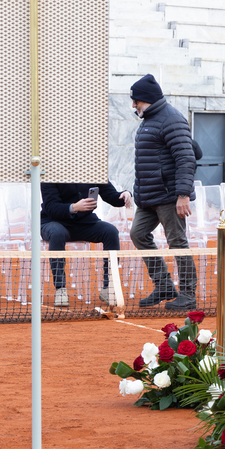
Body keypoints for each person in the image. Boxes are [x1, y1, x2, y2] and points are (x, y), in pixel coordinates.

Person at [128, 73, 198, 310]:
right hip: (148, 197)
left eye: (136, 100)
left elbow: (186, 157)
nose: (134, 105)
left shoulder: (171, 118)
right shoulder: (150, 119)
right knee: (138, 233)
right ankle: (164, 286)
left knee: (178, 242)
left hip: (170, 196)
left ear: (146, 99)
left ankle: (188, 295)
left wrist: (182, 195)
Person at [40, 182, 130, 307]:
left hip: (85, 223)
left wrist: (125, 194)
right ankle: (60, 289)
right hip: (53, 222)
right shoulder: (52, 174)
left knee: (110, 231)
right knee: (57, 233)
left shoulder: (93, 170)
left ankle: (108, 288)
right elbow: (51, 207)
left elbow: (112, 196)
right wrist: (74, 207)